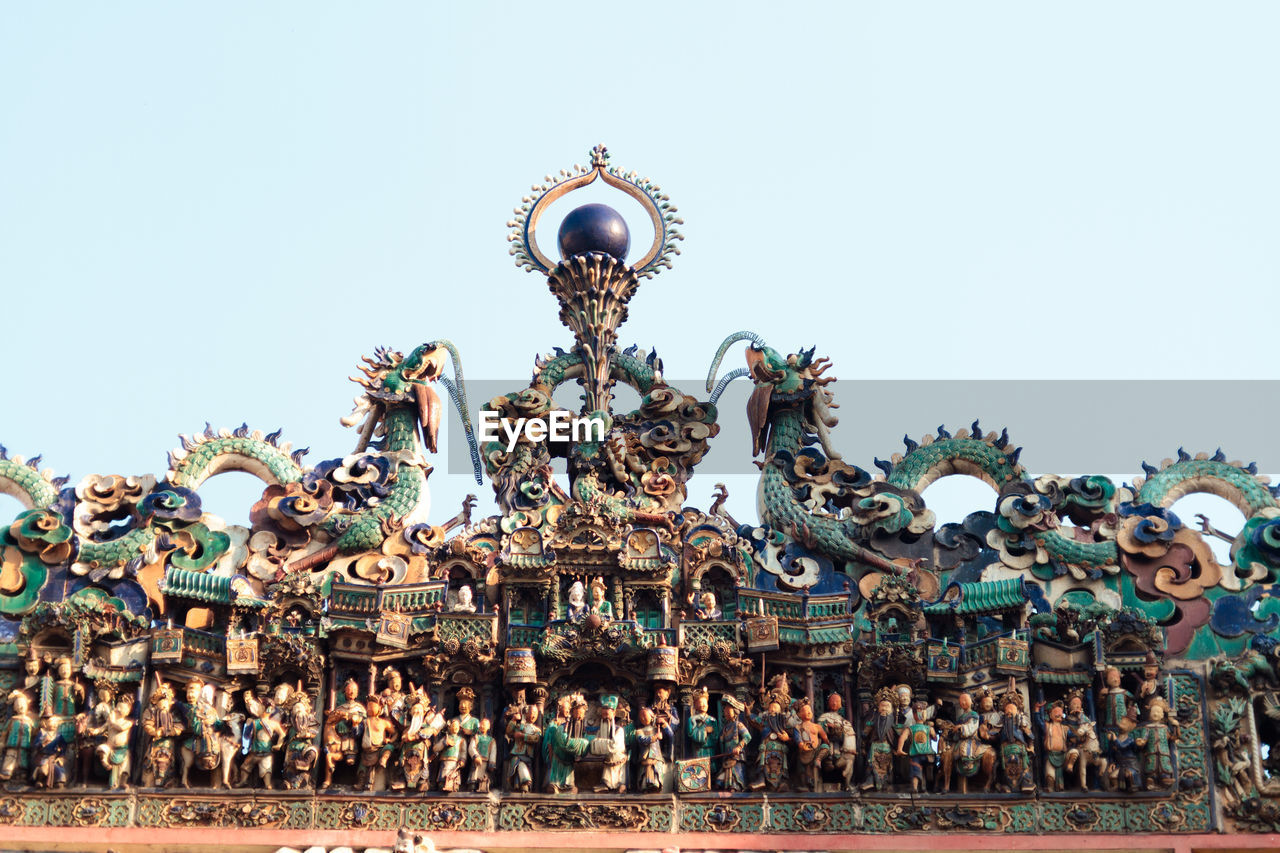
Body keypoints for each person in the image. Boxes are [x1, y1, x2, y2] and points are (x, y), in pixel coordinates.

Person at [895, 699, 935, 794]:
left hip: (916, 755)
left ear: (914, 715)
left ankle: (916, 787)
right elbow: (934, 738)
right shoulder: (928, 728)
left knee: (916, 771)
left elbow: (902, 738)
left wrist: (900, 749)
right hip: (926, 754)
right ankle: (922, 787)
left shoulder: (910, 729)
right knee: (923, 771)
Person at [861, 691, 897, 791]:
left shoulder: (893, 721)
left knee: (888, 767)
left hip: (887, 746)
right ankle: (870, 780)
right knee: (871, 764)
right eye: (882, 706)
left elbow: (898, 733)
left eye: (887, 706)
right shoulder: (874, 720)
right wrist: (864, 736)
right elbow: (866, 732)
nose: (884, 709)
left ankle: (886, 783)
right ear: (878, 707)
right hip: (875, 745)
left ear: (892, 709)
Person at [97, 696, 135, 790]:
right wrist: (93, 731)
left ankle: (123, 781)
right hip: (110, 748)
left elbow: (120, 728)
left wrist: (112, 722)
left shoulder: (128, 722)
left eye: (121, 708)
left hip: (122, 750)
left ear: (128, 711)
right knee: (102, 748)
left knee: (125, 766)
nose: (118, 709)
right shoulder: (109, 722)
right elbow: (101, 729)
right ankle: (105, 762)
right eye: (117, 707)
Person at [631, 706, 673, 793]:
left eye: (645, 715)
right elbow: (642, 740)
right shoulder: (639, 731)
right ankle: (645, 786)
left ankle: (656, 785)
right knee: (644, 774)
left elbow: (670, 735)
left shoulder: (656, 729)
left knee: (656, 773)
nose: (643, 718)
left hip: (656, 756)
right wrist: (654, 738)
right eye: (641, 716)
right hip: (645, 756)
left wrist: (664, 724)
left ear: (651, 717)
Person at [714, 696, 752, 791]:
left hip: (736, 757)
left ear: (735, 712)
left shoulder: (739, 725)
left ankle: (735, 788)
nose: (725, 713)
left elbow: (747, 736)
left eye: (728, 711)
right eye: (724, 711)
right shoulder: (725, 728)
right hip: (727, 756)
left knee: (734, 780)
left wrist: (739, 747)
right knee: (718, 782)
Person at [792, 700, 831, 792]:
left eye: (810, 710)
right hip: (804, 751)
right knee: (804, 770)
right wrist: (802, 745)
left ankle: (818, 760)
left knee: (825, 747)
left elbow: (825, 737)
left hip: (816, 750)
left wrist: (827, 741)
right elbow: (798, 739)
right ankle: (805, 784)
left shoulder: (817, 726)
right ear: (800, 714)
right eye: (805, 710)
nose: (809, 712)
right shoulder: (797, 727)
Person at [592, 695, 628, 793]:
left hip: (618, 759)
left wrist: (599, 744)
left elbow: (614, 746)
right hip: (607, 760)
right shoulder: (600, 730)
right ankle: (606, 784)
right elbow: (594, 746)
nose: (605, 713)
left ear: (614, 712)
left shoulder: (619, 730)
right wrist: (599, 744)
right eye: (603, 712)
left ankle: (621, 785)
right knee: (607, 777)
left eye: (608, 711)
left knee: (619, 778)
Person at [505, 704, 541, 792]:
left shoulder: (537, 730)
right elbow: (509, 732)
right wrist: (513, 720)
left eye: (535, 714)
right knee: (518, 766)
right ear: (526, 713)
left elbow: (535, 739)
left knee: (524, 767)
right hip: (517, 752)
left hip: (528, 754)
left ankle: (525, 784)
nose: (533, 716)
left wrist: (523, 736)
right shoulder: (519, 726)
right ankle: (524, 781)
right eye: (532, 712)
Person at [686, 688, 718, 760]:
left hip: (710, 751)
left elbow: (716, 737)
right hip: (698, 752)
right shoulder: (692, 720)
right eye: (701, 703)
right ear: (695, 705)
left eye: (705, 703)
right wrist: (704, 731)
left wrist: (712, 733)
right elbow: (691, 734)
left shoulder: (712, 720)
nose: (703, 705)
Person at [470, 718, 496, 792]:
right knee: (474, 774)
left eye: (484, 725)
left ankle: (483, 786)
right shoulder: (476, 737)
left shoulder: (491, 740)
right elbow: (471, 747)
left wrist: (492, 763)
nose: (482, 726)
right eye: (481, 724)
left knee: (484, 775)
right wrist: (475, 756)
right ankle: (472, 785)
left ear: (488, 727)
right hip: (477, 760)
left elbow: (493, 752)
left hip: (486, 761)